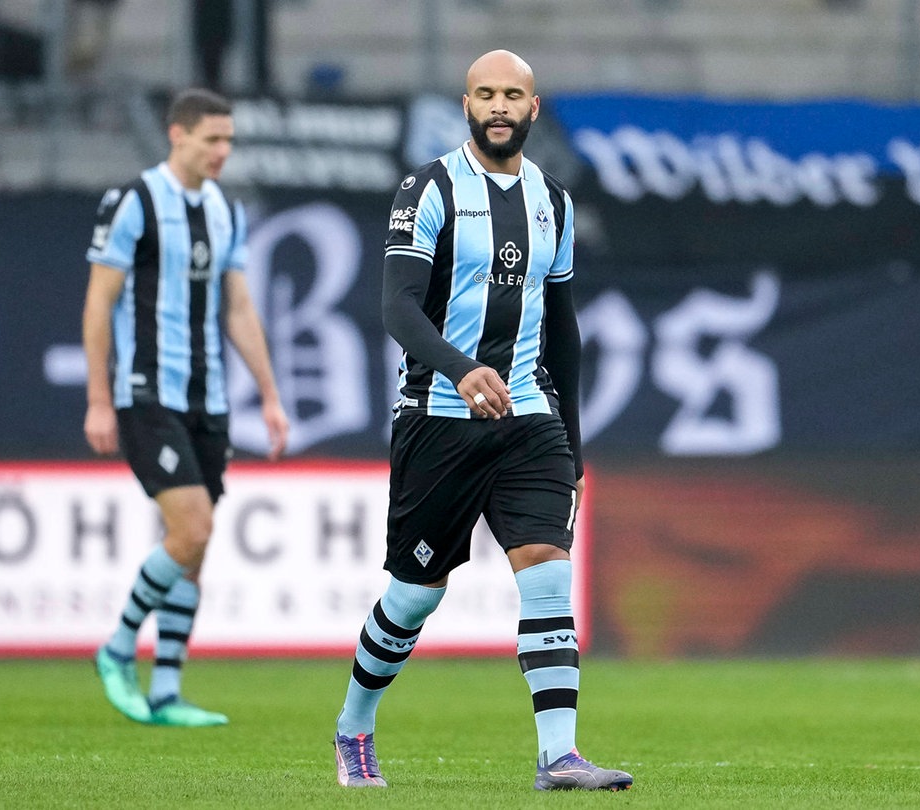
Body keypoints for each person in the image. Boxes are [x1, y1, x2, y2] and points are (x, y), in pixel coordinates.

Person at [330, 50, 632, 792]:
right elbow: (397, 305)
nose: (500, 106)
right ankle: (354, 724)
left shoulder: (553, 203)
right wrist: (462, 369)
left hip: (531, 422)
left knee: (547, 573)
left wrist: (579, 450)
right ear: (466, 105)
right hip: (438, 418)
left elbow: (563, 333)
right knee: (412, 595)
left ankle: (558, 755)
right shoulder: (426, 188)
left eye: (514, 95)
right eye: (486, 94)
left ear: (533, 108)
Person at [83, 87, 289, 727]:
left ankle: (166, 690)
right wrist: (98, 398)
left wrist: (272, 396)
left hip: (210, 399)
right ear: (177, 135)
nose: (222, 151)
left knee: (195, 550)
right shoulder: (134, 203)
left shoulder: (226, 210)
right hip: (148, 392)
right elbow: (98, 304)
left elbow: (238, 308)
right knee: (191, 528)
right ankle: (117, 648)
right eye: (212, 139)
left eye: (229, 140)